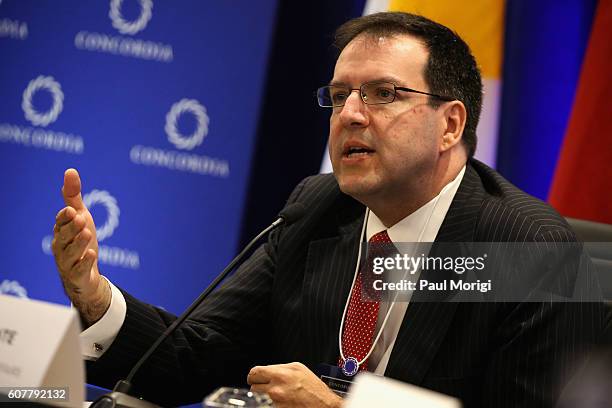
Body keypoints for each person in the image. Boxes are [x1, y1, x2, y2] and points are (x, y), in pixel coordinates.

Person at [52, 12, 605, 407]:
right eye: (340, 96)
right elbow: (195, 360)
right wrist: (96, 298)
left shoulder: (528, 253)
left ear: (451, 125)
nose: (351, 116)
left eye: (383, 94)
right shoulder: (318, 208)